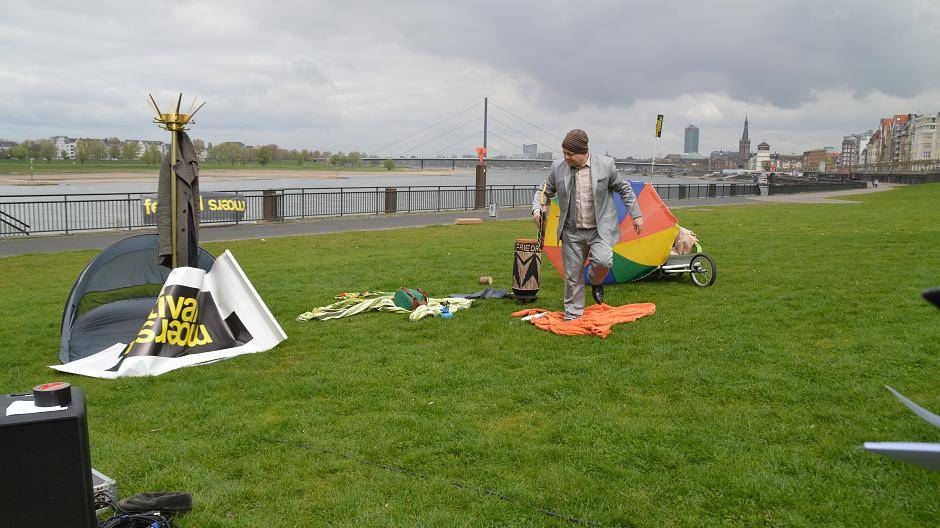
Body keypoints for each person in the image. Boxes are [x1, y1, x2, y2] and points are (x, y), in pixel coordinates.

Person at [533, 129, 644, 320]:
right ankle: (572, 315)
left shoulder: (606, 165)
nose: (565, 157)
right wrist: (537, 209)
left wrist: (636, 215)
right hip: (571, 231)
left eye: (570, 154)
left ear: (584, 152)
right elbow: (543, 191)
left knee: (603, 262)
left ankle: (596, 281)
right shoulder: (557, 167)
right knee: (572, 275)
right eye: (564, 153)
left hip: (600, 230)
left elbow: (624, 189)